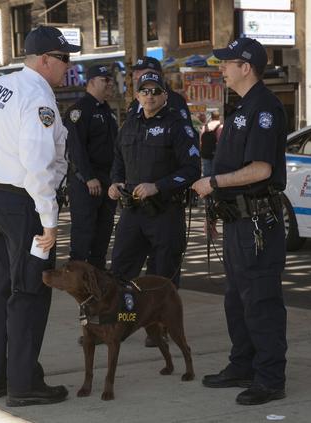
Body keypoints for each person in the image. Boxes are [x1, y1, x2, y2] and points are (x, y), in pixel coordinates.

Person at [0, 26, 77, 407]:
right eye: (64, 59)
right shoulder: (38, 98)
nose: (69, 66)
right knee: (29, 291)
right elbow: (38, 165)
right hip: (22, 206)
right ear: (45, 60)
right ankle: (24, 384)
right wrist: (49, 220)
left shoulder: (0, 86)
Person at [192, 37, 288, 406]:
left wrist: (213, 182)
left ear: (246, 66)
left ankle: (269, 378)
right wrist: (217, 210)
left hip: (257, 224)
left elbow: (260, 169)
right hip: (237, 221)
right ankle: (243, 365)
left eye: (228, 63)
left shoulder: (264, 108)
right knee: (237, 299)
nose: (223, 69)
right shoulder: (242, 108)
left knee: (260, 301)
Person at [108, 71, 200, 346]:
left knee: (160, 277)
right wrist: (115, 183)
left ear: (165, 95)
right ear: (137, 95)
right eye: (144, 91)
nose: (149, 96)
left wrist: (158, 186)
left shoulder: (178, 126)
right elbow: (118, 162)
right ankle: (120, 324)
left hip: (164, 212)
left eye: (155, 91)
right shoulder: (129, 125)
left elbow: (192, 170)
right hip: (133, 212)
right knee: (121, 272)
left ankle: (159, 329)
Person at [64, 64, 118, 269]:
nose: (110, 84)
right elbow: (75, 149)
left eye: (111, 80)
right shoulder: (79, 111)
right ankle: (76, 274)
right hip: (86, 181)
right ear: (92, 82)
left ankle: (97, 274)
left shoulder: (107, 112)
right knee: (84, 230)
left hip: (107, 179)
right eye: (105, 80)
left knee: (103, 230)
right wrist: (88, 177)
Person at [200, 111, 222, 177]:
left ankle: (206, 185)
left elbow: (201, 140)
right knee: (216, 173)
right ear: (219, 117)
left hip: (205, 152)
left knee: (206, 173)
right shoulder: (222, 126)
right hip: (217, 152)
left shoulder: (205, 127)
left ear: (211, 117)